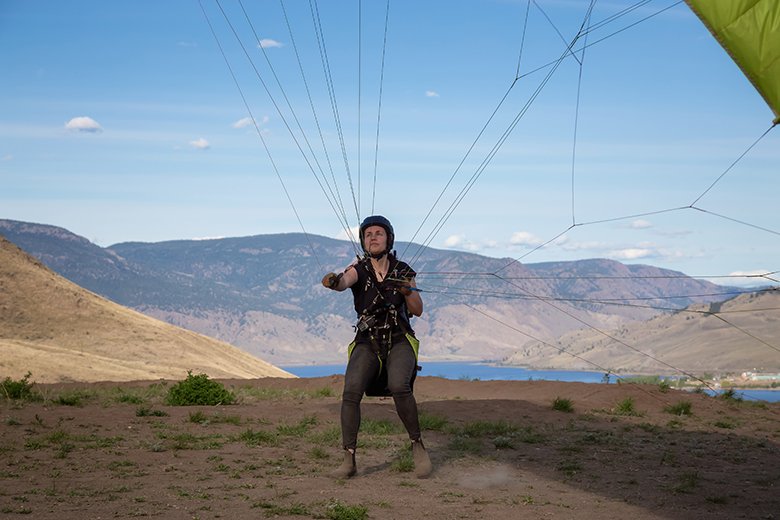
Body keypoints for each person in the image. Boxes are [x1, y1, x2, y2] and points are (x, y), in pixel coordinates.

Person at [321, 215, 432, 479]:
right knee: (351, 391)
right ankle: (348, 459)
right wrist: (333, 281)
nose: (373, 237)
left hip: (399, 338)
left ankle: (418, 446)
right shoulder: (357, 269)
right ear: (363, 241)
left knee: (398, 386)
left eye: (378, 233)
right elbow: (342, 283)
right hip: (368, 340)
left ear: (388, 239)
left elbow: (417, 310)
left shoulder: (403, 269)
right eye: (368, 234)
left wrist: (407, 291)